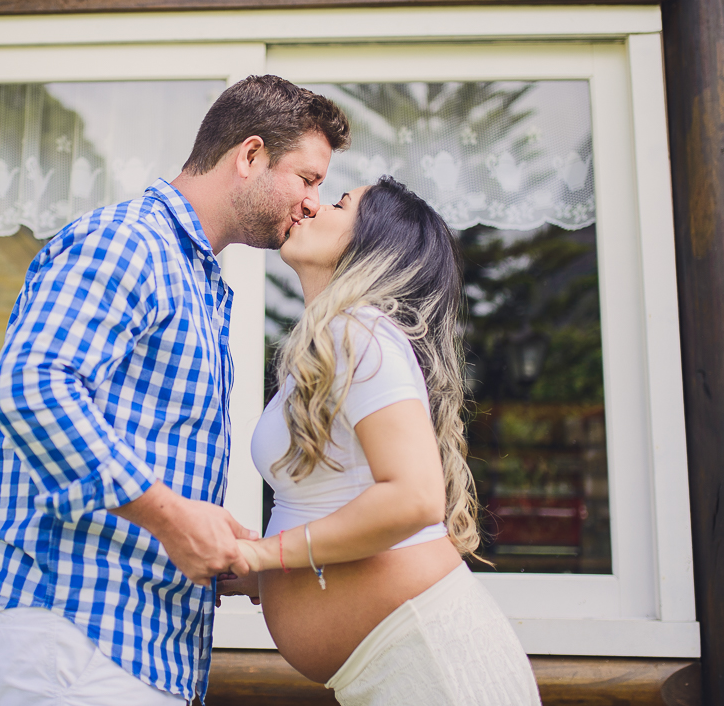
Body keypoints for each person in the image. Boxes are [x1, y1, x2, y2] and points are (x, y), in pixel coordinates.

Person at [0, 75, 351, 706]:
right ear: (249, 157)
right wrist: (170, 518)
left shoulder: (197, 275)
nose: (312, 202)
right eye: (307, 179)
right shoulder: (129, 242)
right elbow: (31, 385)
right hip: (73, 633)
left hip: (128, 645)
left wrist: (216, 537)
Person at [222, 176, 542, 705]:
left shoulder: (359, 332)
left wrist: (267, 556)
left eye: (340, 203)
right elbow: (347, 499)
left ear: (374, 245)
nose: (312, 205)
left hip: (433, 665)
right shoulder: (340, 339)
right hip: (409, 665)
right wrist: (267, 577)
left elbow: (414, 499)